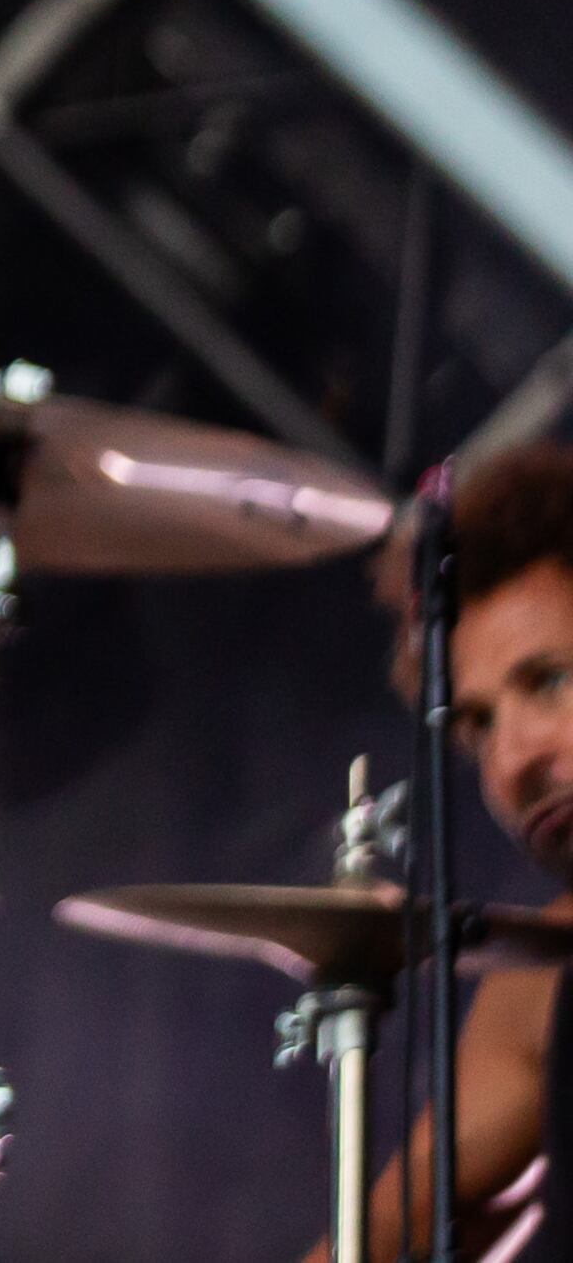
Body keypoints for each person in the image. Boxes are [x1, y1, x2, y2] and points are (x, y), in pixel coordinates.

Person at [308, 444, 573, 1263]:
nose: (511, 760)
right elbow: (371, 1242)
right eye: (477, 724)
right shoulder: (543, 976)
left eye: (550, 681)